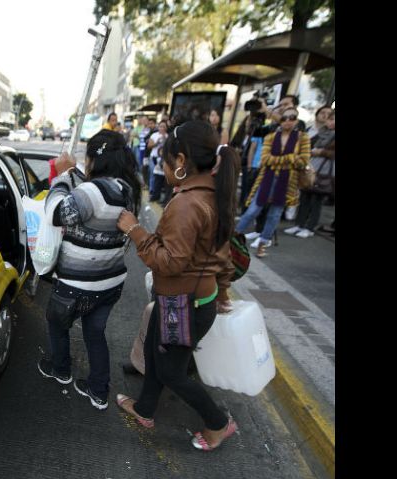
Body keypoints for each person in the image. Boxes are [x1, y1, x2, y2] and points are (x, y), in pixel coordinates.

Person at [115, 120, 239, 450]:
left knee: (171, 371)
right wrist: (223, 289)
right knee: (158, 356)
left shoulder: (186, 205)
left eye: (165, 161)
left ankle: (218, 424)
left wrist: (135, 230)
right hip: (188, 299)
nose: (163, 168)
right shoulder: (212, 195)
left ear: (181, 162)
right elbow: (224, 254)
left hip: (182, 305)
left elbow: (170, 262)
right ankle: (144, 409)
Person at [37, 129, 142, 411]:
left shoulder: (92, 191)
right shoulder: (127, 189)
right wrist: (74, 174)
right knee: (95, 333)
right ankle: (98, 390)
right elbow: (92, 206)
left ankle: (60, 370)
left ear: (96, 159)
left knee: (57, 324)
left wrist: (61, 177)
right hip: (110, 283)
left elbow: (56, 213)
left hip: (77, 284)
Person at [235, 107, 311, 257]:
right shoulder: (270, 137)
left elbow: (303, 161)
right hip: (267, 178)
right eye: (284, 118)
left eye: (292, 117)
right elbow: (265, 159)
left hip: (287, 181)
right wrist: (290, 158)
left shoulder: (303, 138)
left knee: (274, 215)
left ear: (297, 120)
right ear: (279, 120)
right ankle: (232, 239)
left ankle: (262, 245)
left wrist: (280, 160)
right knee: (252, 211)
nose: (288, 121)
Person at [285, 110, 335, 238]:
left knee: (316, 200)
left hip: (325, 171)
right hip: (312, 167)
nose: (331, 122)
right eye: (330, 119)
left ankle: (309, 227)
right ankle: (299, 224)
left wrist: (322, 152)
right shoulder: (321, 132)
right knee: (305, 197)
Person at [148, 120, 169, 203]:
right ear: (158, 127)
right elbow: (149, 146)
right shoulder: (154, 135)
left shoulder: (168, 137)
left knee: (161, 178)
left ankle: (157, 195)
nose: (162, 128)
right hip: (153, 157)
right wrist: (157, 142)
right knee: (153, 176)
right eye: (161, 126)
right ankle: (152, 192)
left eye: (164, 126)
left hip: (163, 159)